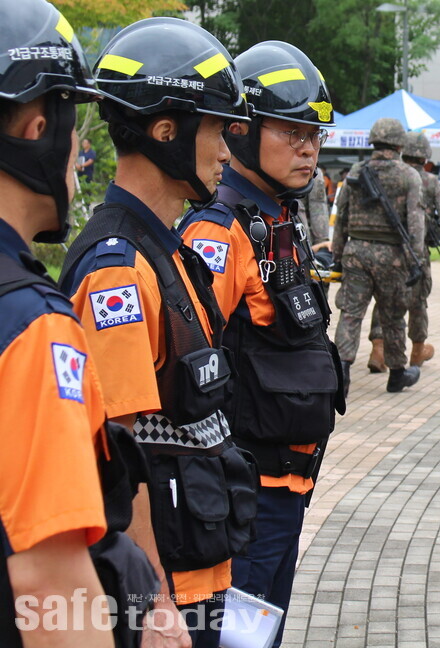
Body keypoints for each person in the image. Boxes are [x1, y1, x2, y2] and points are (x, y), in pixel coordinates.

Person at [59, 18, 259, 648]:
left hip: (202, 565)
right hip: (171, 590)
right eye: (218, 129)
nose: (228, 149)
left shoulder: (166, 250)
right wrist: (152, 604)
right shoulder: (120, 271)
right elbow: (121, 452)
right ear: (166, 130)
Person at [0, 2, 159, 646]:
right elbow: (52, 587)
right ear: (40, 128)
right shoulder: (29, 325)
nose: (80, 155)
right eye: (75, 129)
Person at [179, 41, 344, 648]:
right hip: (245, 503)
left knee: (259, 639)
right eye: (293, 131)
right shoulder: (218, 232)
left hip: (287, 496)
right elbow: (185, 375)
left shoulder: (280, 219)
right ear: (243, 132)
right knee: (237, 642)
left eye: (316, 134)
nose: (309, 147)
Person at [333, 117, 424, 393]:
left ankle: (342, 373)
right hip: (392, 256)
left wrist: (337, 255)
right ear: (399, 144)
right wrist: (415, 259)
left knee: (350, 314)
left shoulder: (356, 172)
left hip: (356, 252)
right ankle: (397, 373)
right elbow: (416, 222)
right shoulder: (409, 175)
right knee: (393, 316)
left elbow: (341, 217)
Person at [366, 132, 440, 372]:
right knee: (418, 300)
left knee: (384, 297)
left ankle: (378, 348)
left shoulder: (387, 175)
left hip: (386, 248)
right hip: (417, 252)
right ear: (425, 157)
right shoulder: (431, 182)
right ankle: (418, 349)